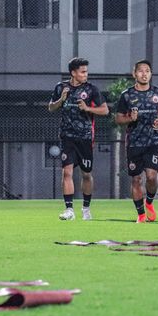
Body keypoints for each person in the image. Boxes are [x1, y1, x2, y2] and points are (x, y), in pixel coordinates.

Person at [48, 57, 109, 220]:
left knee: (86, 174)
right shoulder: (61, 87)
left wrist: (87, 108)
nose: (85, 74)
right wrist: (61, 99)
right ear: (73, 73)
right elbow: (51, 107)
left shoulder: (91, 89)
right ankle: (69, 210)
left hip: (86, 138)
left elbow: (105, 110)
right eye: (82, 72)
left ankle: (86, 208)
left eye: (86, 71)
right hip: (67, 137)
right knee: (66, 172)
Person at [115, 60, 158, 223]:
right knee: (136, 179)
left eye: (147, 71)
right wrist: (130, 117)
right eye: (141, 71)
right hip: (134, 143)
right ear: (134, 74)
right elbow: (118, 118)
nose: (144, 74)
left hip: (153, 141)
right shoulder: (127, 95)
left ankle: (149, 202)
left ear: (151, 74)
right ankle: (141, 214)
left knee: (152, 177)